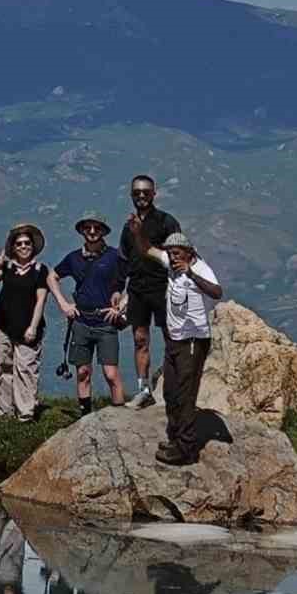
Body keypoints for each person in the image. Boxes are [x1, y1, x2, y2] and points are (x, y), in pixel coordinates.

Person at [135, 231, 223, 466]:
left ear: (189, 253)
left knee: (185, 394)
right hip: (174, 340)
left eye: (176, 253)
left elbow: (217, 292)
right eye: (170, 253)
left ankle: (186, 449)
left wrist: (191, 273)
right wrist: (137, 229)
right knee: (171, 391)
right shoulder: (172, 263)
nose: (172, 258)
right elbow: (147, 249)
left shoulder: (200, 268)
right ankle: (175, 438)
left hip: (193, 341)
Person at [50, 216, 129, 413]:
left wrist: (121, 307)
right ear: (82, 232)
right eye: (88, 228)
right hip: (81, 321)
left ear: (103, 231)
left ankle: (120, 415)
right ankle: (85, 416)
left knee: (111, 374)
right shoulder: (73, 258)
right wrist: (63, 304)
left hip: (105, 323)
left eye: (97, 228)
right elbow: (52, 276)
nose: (92, 231)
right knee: (83, 372)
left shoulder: (115, 256)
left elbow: (135, 280)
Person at [118, 174, 182, 408]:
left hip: (163, 287)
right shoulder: (128, 227)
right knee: (139, 339)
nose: (141, 196)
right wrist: (119, 290)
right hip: (137, 289)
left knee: (171, 338)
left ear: (154, 193)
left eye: (146, 192)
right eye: (137, 192)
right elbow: (123, 259)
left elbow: (178, 254)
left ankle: (173, 387)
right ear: (131, 195)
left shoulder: (167, 222)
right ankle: (143, 390)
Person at [0, 223, 53, 422]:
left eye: (27, 243)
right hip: (2, 324)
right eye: (19, 244)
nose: (23, 247)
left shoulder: (40, 270)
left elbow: (41, 299)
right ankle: (3, 410)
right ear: (13, 248)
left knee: (26, 369)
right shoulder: (7, 267)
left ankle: (25, 413)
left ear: (33, 246)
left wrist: (33, 326)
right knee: (2, 366)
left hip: (28, 327)